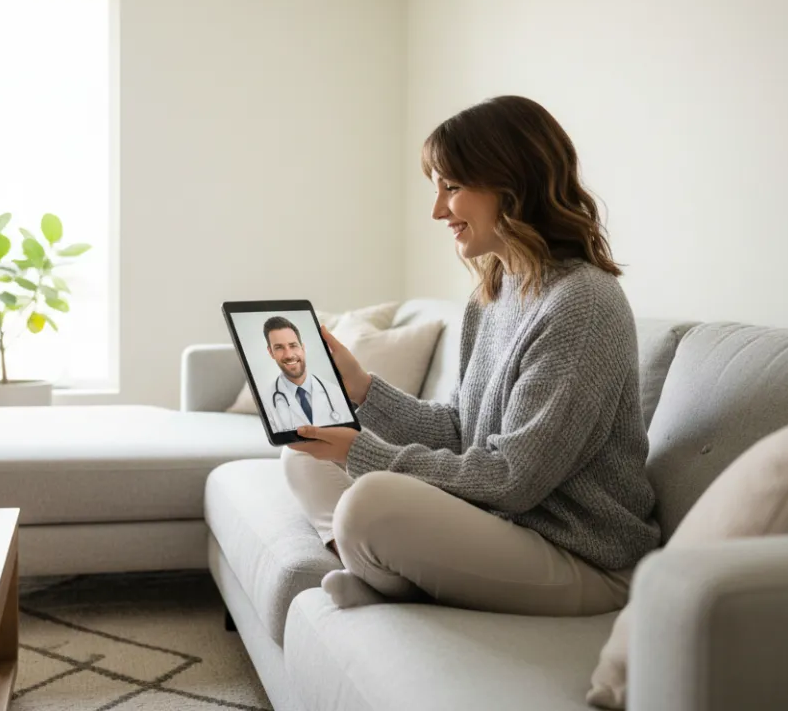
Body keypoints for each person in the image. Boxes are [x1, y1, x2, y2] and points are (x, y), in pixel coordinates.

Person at [282, 95, 660, 616]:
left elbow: (512, 478)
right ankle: (382, 572)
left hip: (582, 559)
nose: (438, 210)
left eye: (452, 188)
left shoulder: (583, 303)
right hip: (502, 526)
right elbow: (463, 432)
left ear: (513, 185)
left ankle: (383, 574)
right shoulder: (495, 293)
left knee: (368, 504)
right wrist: (362, 390)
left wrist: (360, 452)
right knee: (301, 455)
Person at [260, 316, 353, 432]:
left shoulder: (337, 394)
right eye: (279, 348)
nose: (289, 355)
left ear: (302, 348)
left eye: (293, 345)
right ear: (271, 352)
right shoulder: (265, 402)